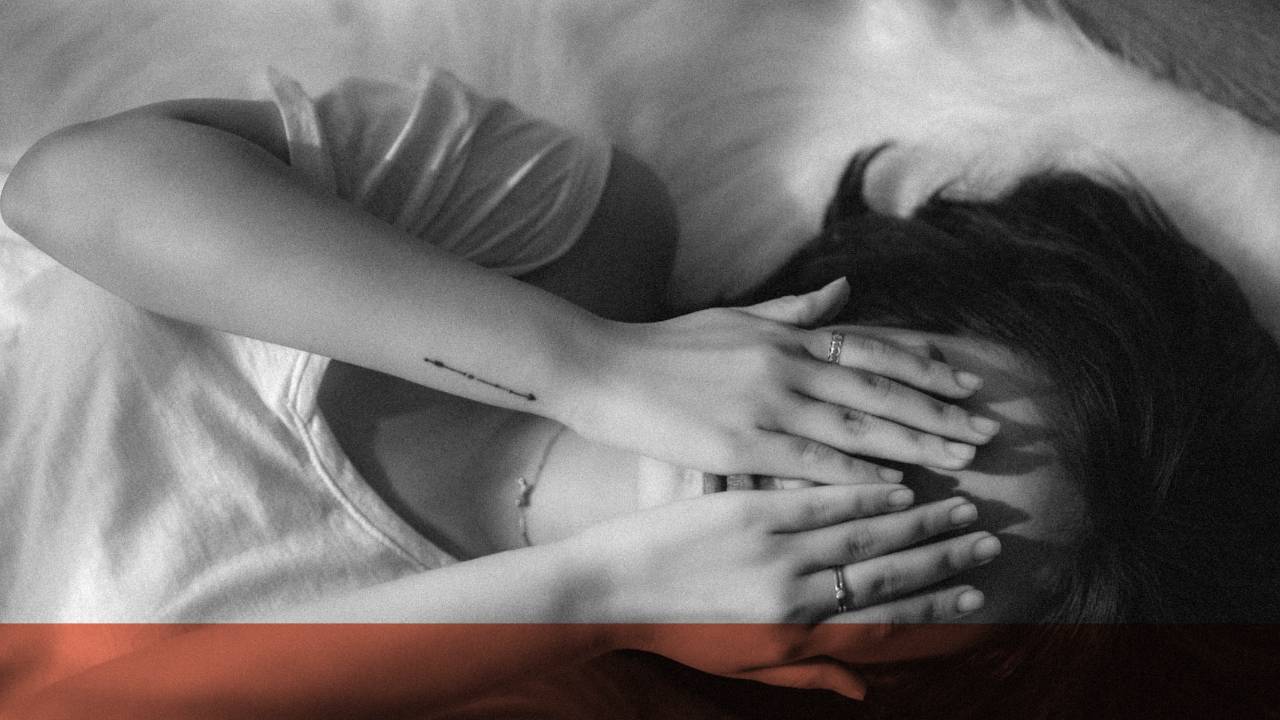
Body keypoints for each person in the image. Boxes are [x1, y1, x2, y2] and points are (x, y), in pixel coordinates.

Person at [0, 70, 1003, 718]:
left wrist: (599, 600)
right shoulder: (585, 225)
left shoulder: (513, 688)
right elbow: (70, 188)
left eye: (913, 547)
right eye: (916, 418)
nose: (844, 481)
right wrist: (592, 363)